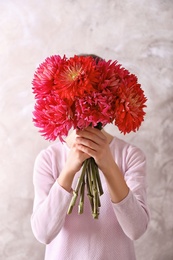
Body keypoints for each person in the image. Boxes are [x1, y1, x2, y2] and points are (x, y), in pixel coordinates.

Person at [31, 55, 150, 260]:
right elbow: (43, 233)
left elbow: (136, 229)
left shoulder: (130, 156)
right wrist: (69, 169)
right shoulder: (49, 159)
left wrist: (108, 165)